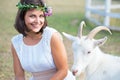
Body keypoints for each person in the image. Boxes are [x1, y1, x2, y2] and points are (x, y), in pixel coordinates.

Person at [11, 0, 76, 80]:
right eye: (32, 16)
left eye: (41, 16)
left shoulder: (52, 36)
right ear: (22, 17)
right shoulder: (16, 42)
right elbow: (19, 76)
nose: (38, 21)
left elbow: (63, 70)